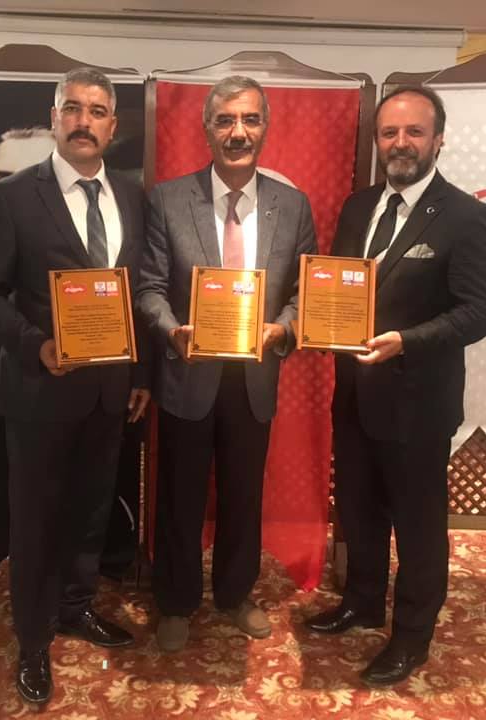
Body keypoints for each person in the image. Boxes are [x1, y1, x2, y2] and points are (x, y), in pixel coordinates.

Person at [304, 85, 486, 687]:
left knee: (418, 527)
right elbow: (340, 288)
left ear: (438, 139)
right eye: (390, 132)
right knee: (359, 511)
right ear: (377, 140)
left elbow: (479, 312)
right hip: (355, 397)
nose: (401, 143)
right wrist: (315, 321)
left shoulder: (466, 216)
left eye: (414, 131)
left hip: (418, 405)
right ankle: (363, 602)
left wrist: (407, 341)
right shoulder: (359, 206)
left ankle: (412, 636)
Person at [0, 67, 150, 706]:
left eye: (96, 111)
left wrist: (141, 373)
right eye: (72, 108)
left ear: (112, 126)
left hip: (109, 391)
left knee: (91, 509)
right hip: (40, 390)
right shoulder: (13, 196)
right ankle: (33, 639)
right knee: (37, 520)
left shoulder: (133, 196)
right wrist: (35, 345)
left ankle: (76, 606)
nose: (83, 121)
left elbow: (140, 295)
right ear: (54, 119)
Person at [137, 75, 316, 653]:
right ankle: (175, 601)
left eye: (250, 119)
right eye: (226, 120)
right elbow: (149, 287)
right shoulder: (167, 199)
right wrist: (172, 330)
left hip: (254, 377)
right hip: (187, 373)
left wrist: (283, 327)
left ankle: (236, 594)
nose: (238, 132)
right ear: (206, 128)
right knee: (180, 496)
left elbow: (305, 289)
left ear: (266, 127)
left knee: (244, 495)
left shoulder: (293, 205)